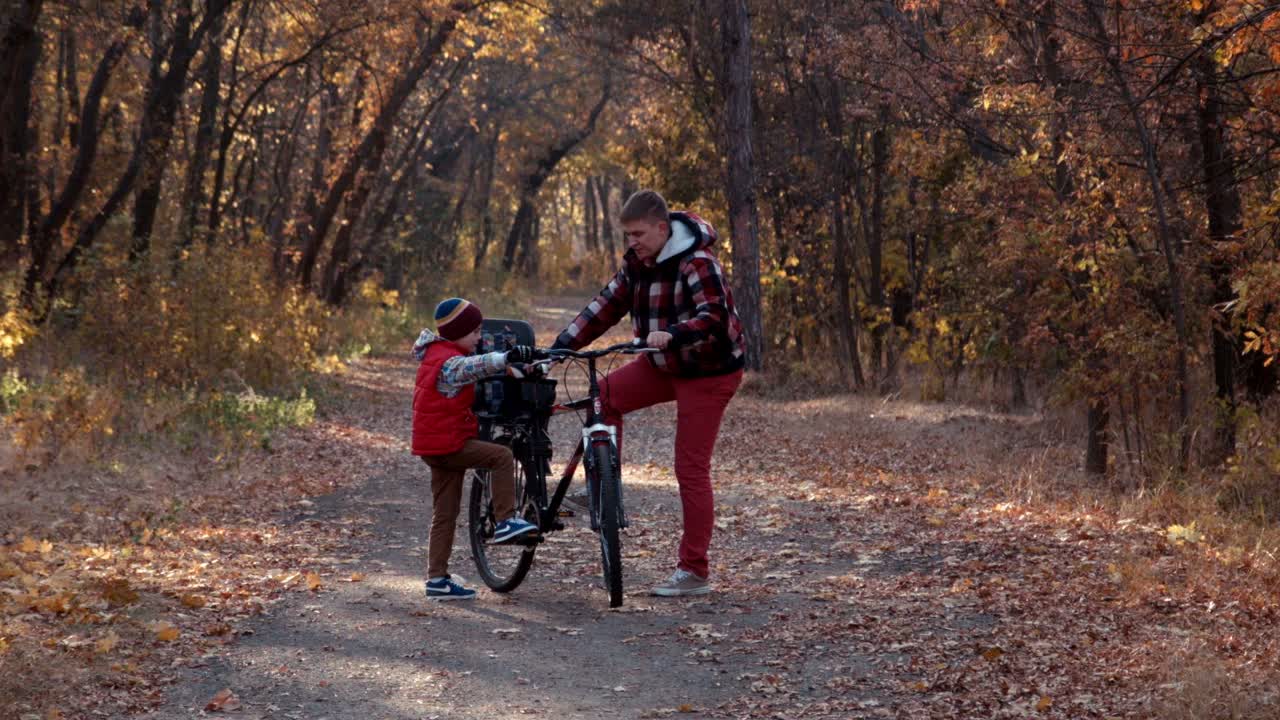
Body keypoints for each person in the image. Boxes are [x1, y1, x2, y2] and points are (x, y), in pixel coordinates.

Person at [551, 190, 746, 597]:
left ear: (662, 228)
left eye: (638, 233)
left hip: (709, 372)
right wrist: (559, 347)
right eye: (627, 235)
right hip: (664, 364)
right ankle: (605, 485)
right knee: (601, 395)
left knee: (689, 468)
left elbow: (714, 317)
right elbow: (603, 307)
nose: (632, 242)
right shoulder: (638, 265)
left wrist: (673, 333)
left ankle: (694, 572)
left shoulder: (698, 262)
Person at [412, 297, 539, 600]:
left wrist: (514, 371)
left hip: (434, 446)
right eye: (475, 333)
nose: (480, 338)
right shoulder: (450, 363)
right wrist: (505, 357)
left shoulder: (436, 355)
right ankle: (506, 520)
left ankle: (437, 579)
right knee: (501, 455)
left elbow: (474, 370)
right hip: (448, 444)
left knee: (445, 513)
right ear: (457, 333)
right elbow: (474, 367)